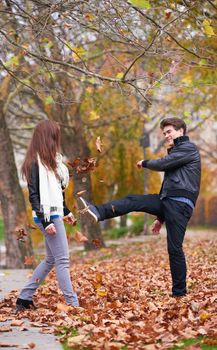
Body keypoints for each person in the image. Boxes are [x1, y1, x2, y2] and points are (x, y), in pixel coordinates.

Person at [78, 118, 201, 297]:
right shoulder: (177, 152)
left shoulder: (188, 149)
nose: (166, 135)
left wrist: (145, 163)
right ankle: (98, 211)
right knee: (133, 200)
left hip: (180, 203)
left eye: (169, 132)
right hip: (168, 201)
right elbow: (168, 184)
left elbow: (163, 164)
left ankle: (179, 293)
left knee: (174, 248)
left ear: (181, 131)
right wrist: (160, 218)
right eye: (164, 133)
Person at [16, 120, 79, 311]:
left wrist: (66, 211)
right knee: (62, 260)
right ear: (47, 138)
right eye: (55, 137)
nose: (57, 141)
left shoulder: (51, 163)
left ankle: (24, 297)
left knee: (51, 259)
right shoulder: (34, 163)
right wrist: (47, 221)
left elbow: (57, 193)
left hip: (53, 214)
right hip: (47, 217)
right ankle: (72, 303)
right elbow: (34, 195)